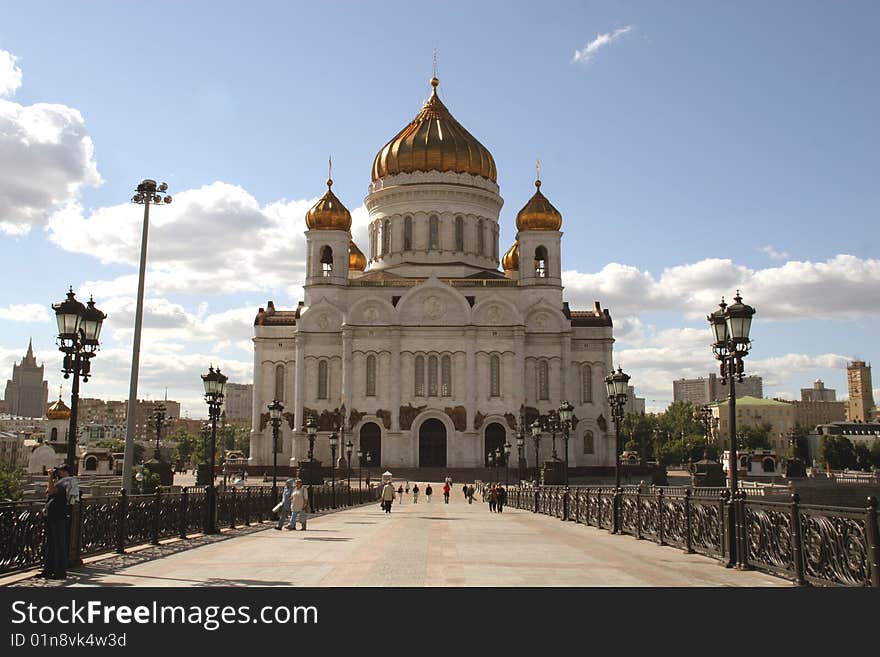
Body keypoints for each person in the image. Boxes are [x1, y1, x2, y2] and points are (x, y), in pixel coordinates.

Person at [40, 465, 70, 580]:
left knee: (59, 544)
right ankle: (49, 569)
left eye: (59, 471)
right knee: (51, 544)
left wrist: (50, 477)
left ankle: (60, 572)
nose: (58, 473)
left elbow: (51, 490)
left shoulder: (66, 482)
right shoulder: (60, 482)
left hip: (58, 516)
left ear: (64, 472)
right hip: (53, 516)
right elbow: (48, 492)